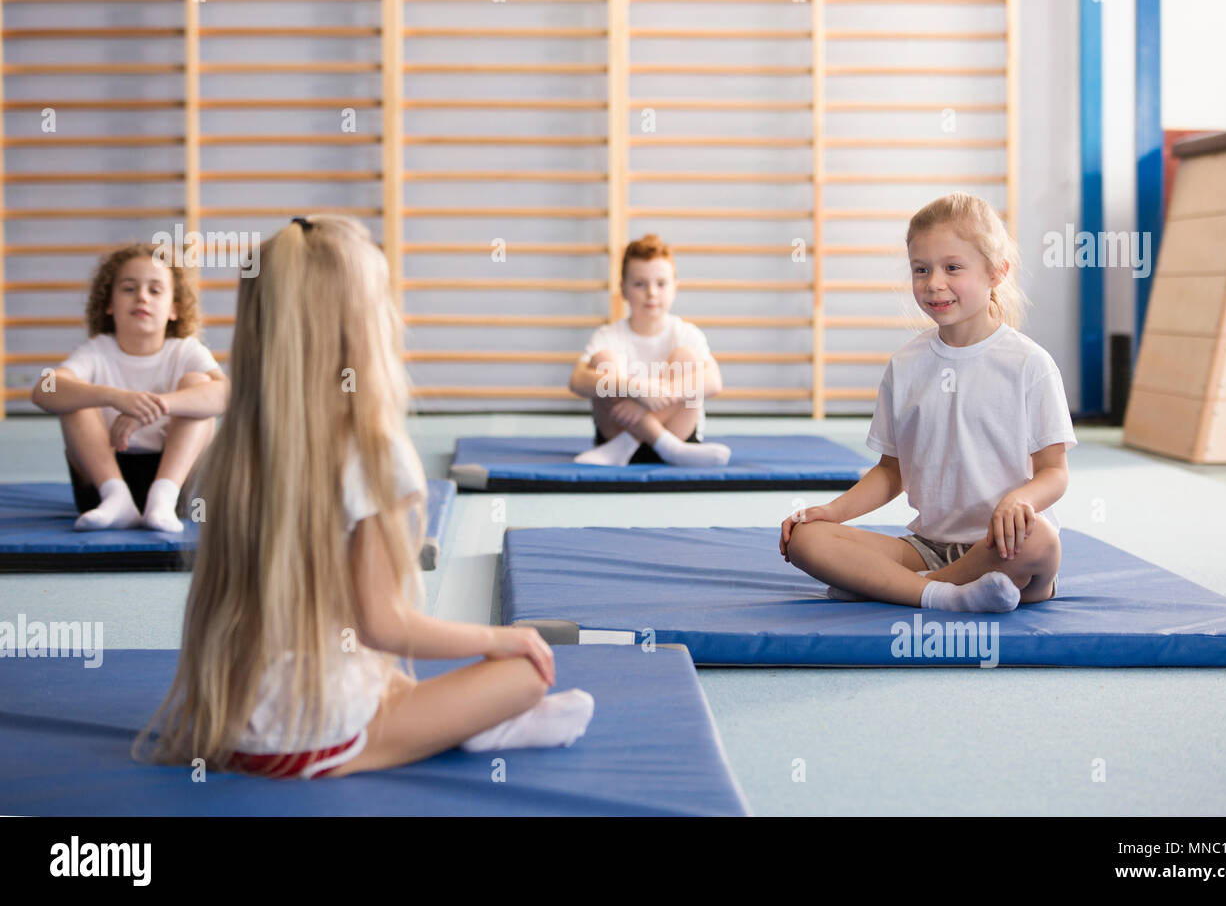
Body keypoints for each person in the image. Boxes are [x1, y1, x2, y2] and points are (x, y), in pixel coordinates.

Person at [136, 215, 592, 780]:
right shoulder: (373, 453)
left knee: (385, 672)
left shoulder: (238, 450)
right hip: (310, 740)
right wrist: (501, 637)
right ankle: (477, 726)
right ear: (359, 327)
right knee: (525, 672)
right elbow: (380, 622)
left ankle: (462, 723)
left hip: (232, 726)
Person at [779, 192, 1076, 612]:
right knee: (806, 539)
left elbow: (1054, 473)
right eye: (921, 270)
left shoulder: (1030, 364)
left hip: (1005, 545)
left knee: (1040, 539)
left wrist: (1019, 501)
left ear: (997, 272)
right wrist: (831, 511)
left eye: (953, 267)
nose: (934, 283)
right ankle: (947, 593)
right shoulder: (906, 365)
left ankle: (903, 588)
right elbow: (889, 473)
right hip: (926, 546)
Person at [30, 243, 226, 533]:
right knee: (73, 393)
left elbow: (228, 395)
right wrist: (115, 397)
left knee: (199, 386)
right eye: (129, 289)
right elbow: (42, 390)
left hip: (175, 483)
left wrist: (155, 405)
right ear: (109, 304)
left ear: (174, 309)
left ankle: (162, 496)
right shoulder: (96, 351)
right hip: (101, 483)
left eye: (155, 290)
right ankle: (116, 498)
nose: (142, 297)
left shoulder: (185, 351)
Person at [570, 233, 730, 467]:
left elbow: (714, 382)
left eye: (661, 284)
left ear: (675, 287)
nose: (652, 293)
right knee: (602, 360)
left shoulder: (686, 333)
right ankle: (648, 445)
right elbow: (577, 381)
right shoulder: (609, 335)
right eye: (639, 284)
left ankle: (651, 444)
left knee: (687, 358)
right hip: (615, 432)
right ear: (623, 289)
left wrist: (660, 393)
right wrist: (633, 388)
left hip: (677, 433)